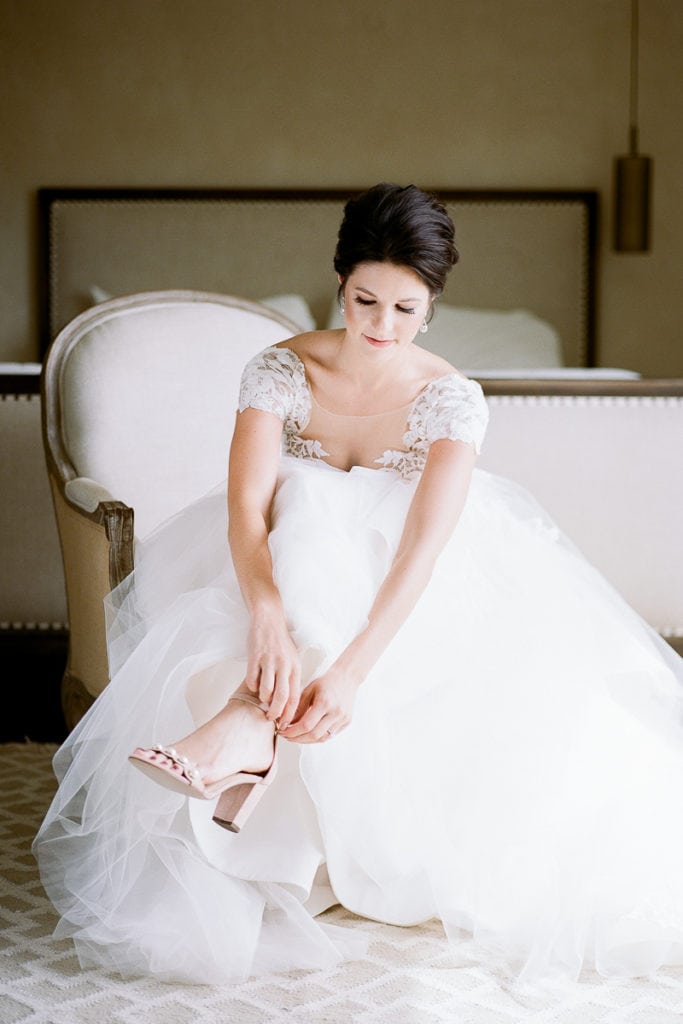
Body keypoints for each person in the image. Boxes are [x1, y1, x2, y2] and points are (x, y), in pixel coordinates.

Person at [33, 183, 683, 988]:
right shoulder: (278, 370)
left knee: (321, 522)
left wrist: (347, 672)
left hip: (404, 597)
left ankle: (245, 729)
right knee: (302, 505)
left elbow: (419, 551)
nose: (380, 327)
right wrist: (265, 614)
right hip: (268, 565)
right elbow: (245, 506)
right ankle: (250, 737)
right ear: (339, 283)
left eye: (405, 310)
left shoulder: (449, 400)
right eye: (364, 300)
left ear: (432, 306)